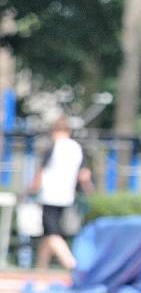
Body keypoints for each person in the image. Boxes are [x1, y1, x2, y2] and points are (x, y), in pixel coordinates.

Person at [29, 116, 93, 271]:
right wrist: (89, 190)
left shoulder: (54, 146)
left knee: (52, 232)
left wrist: (31, 189)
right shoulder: (77, 148)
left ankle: (72, 264)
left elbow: (41, 172)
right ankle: (41, 267)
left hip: (49, 194)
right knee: (48, 232)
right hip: (67, 196)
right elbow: (84, 175)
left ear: (54, 130)